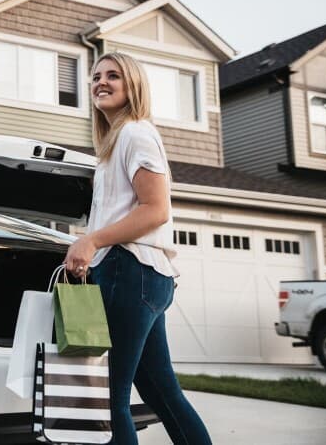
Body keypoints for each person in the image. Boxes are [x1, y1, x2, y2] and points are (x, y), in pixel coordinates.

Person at [64, 52, 212, 445]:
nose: (101, 82)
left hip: (129, 272)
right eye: (96, 76)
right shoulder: (117, 142)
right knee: (162, 392)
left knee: (109, 400)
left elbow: (156, 210)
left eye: (114, 76)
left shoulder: (134, 133)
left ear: (134, 87)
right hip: (147, 277)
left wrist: (92, 240)